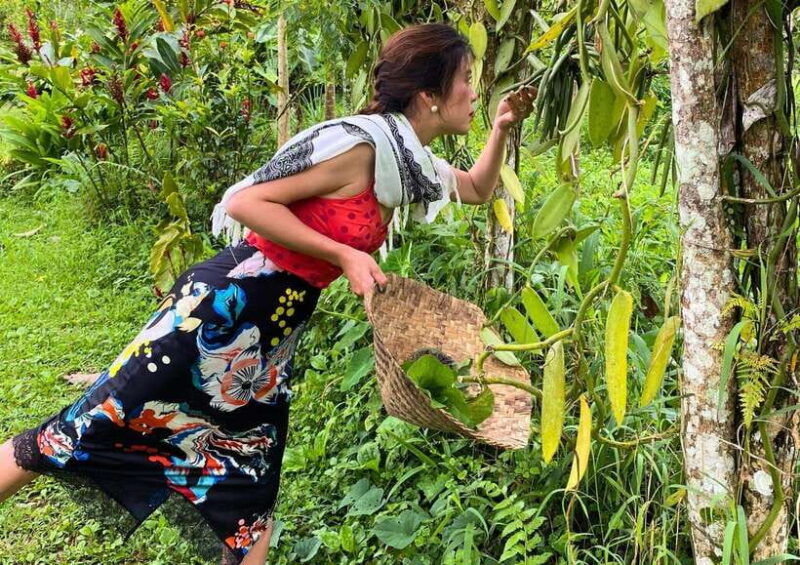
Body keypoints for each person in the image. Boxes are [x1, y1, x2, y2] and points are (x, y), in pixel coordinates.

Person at [0, 22, 534, 565]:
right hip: (218, 313)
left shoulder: (408, 160)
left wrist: (501, 128)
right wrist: (345, 254)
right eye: (467, 79)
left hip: (268, 340)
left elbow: (475, 188)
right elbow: (248, 204)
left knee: (249, 494)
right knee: (74, 433)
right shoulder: (361, 148)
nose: (474, 90)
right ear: (429, 96)